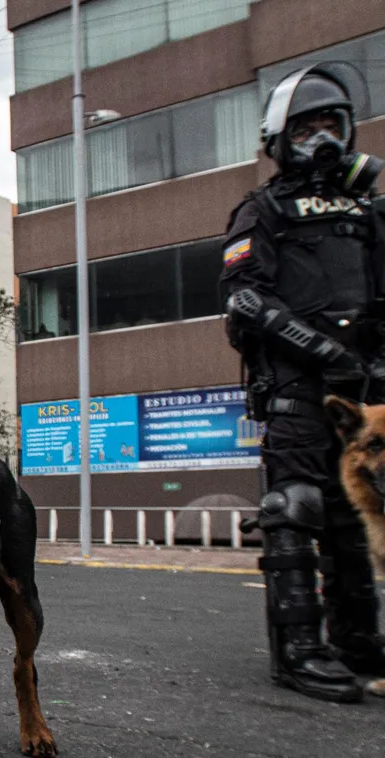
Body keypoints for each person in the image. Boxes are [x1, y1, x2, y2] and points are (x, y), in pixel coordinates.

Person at [221, 63, 385, 702]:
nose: (321, 138)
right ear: (279, 138)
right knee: (296, 509)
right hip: (297, 392)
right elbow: (244, 303)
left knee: (353, 515)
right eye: (307, 127)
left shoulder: (366, 214)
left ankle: (359, 642)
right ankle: (297, 651)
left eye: (331, 125)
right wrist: (321, 351)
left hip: (364, 396)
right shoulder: (263, 209)